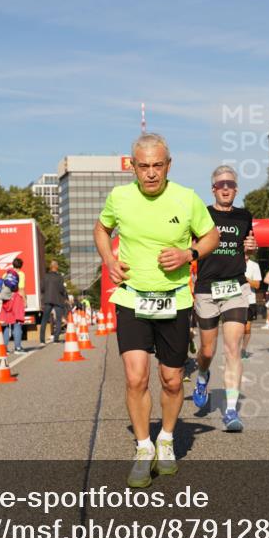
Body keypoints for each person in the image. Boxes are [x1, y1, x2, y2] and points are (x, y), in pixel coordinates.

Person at [94, 133, 219, 487]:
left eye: (157, 165)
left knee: (172, 379)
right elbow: (101, 229)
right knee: (135, 377)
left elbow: (211, 237)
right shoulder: (119, 197)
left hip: (174, 299)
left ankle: (165, 439)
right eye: (144, 166)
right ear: (132, 166)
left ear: (168, 165)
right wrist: (108, 259)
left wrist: (188, 254)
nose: (151, 173)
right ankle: (144, 447)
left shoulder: (186, 198)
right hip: (132, 297)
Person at [191, 165, 257, 432]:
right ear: (213, 189)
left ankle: (230, 411)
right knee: (207, 350)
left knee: (233, 349)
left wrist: (251, 249)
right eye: (220, 184)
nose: (226, 188)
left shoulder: (245, 216)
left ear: (236, 188)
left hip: (235, 288)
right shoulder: (202, 215)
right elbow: (191, 246)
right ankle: (203, 375)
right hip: (207, 289)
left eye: (230, 183)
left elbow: (246, 249)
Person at [0, 258, 27, 353]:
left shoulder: (6, 274)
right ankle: (18, 347)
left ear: (13, 264)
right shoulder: (21, 274)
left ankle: (4, 348)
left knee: (7, 324)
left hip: (7, 300)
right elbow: (21, 289)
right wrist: (25, 301)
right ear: (21, 265)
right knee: (17, 323)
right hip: (16, 300)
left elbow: (2, 285)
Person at [40, 259, 69, 344]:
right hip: (58, 300)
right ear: (56, 267)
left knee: (44, 319)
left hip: (47, 299)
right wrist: (65, 297)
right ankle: (56, 339)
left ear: (50, 267)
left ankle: (42, 340)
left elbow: (42, 289)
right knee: (59, 320)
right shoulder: (59, 277)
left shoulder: (45, 276)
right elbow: (62, 289)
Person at [242, 250, 262, 359]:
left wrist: (246, 279)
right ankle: (234, 349)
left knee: (247, 329)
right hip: (235, 301)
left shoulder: (254, 265)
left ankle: (243, 349)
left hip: (250, 300)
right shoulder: (233, 263)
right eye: (243, 252)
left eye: (246, 253)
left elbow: (257, 285)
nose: (245, 255)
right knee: (237, 328)